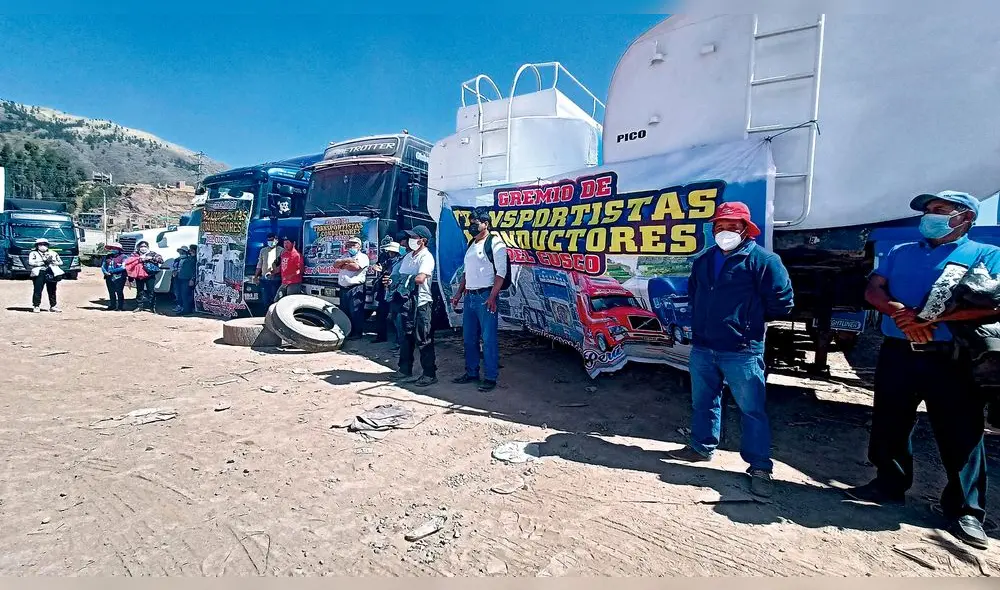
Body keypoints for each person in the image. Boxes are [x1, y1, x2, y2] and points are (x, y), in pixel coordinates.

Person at [845, 191, 1000, 550]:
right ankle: (889, 483)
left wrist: (931, 318)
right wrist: (898, 311)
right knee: (890, 419)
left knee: (961, 430)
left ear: (965, 218)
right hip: (899, 351)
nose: (931, 216)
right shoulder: (901, 252)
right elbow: (874, 288)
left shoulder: (986, 254)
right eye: (929, 211)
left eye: (941, 211)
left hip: (953, 356)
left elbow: (994, 303)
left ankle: (966, 510)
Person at [668, 201, 794, 499]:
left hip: (742, 350)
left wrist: (747, 323)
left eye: (732, 226)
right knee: (704, 401)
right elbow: (695, 295)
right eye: (720, 226)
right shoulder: (704, 260)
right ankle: (701, 447)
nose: (725, 231)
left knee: (752, 410)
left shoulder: (764, 260)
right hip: (704, 347)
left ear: (745, 229)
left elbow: (783, 302)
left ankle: (760, 466)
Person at [450, 207, 509, 392]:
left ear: (486, 224)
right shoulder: (471, 244)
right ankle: (472, 372)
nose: (472, 226)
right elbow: (467, 273)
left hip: (486, 297)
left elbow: (501, 273)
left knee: (488, 339)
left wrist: (492, 296)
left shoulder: (495, 243)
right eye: (470, 223)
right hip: (470, 297)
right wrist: (459, 293)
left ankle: (490, 377)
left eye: (475, 223)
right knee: (469, 338)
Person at [391, 225, 437, 387]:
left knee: (423, 339)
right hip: (406, 302)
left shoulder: (426, 257)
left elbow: (420, 278)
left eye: (413, 237)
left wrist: (402, 280)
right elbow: (398, 276)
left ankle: (429, 374)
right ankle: (404, 370)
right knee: (405, 337)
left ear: (422, 241)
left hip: (422, 303)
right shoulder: (408, 256)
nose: (409, 240)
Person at [334, 236, 370, 339]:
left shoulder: (362, 257)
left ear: (359, 246)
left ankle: (357, 333)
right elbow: (335, 264)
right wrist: (346, 260)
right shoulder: (345, 256)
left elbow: (355, 268)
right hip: (343, 288)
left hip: (356, 288)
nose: (351, 247)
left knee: (356, 311)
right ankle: (347, 331)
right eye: (349, 245)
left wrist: (343, 265)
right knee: (345, 311)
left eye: (353, 245)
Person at [373, 240, 403, 343]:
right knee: (381, 314)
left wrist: (383, 270)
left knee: (396, 317)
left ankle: (398, 341)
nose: (389, 252)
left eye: (391, 251)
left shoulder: (399, 261)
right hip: (384, 291)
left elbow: (395, 274)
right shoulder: (386, 259)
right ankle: (381, 337)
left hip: (393, 291)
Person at [126, 241, 163, 313]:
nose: (143, 248)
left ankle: (152, 307)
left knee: (151, 291)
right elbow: (129, 262)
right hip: (138, 275)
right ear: (138, 247)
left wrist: (151, 258)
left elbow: (161, 261)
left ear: (148, 247)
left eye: (145, 246)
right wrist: (140, 259)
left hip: (149, 275)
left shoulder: (152, 253)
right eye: (141, 246)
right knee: (139, 291)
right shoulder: (134, 254)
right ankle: (140, 306)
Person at [27, 238, 63, 313]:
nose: (43, 246)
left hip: (51, 272)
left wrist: (52, 262)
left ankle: (53, 306)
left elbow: (60, 262)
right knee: (38, 289)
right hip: (39, 272)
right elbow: (30, 262)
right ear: (37, 246)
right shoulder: (33, 253)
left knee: (52, 289)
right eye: (40, 244)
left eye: (44, 244)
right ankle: (36, 305)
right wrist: (41, 262)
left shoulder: (53, 253)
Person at [254, 232, 283, 309]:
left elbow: (282, 265)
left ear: (276, 240)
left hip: (276, 279)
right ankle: (266, 313)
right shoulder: (263, 250)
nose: (270, 242)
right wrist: (256, 276)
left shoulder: (281, 251)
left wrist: (274, 273)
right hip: (264, 278)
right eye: (269, 240)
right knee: (265, 298)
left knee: (275, 298)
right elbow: (259, 264)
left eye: (272, 240)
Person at [101, 243, 128, 311]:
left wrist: (112, 271)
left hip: (119, 277)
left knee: (119, 291)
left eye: (115, 248)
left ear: (119, 249)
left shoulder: (124, 257)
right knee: (111, 291)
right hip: (108, 277)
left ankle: (120, 307)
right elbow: (103, 266)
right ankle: (112, 305)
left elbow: (123, 267)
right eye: (112, 248)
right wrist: (105, 272)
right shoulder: (108, 256)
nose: (113, 249)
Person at [276, 236, 304, 300]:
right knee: (277, 300)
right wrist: (272, 272)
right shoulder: (284, 254)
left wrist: (292, 275)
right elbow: (282, 266)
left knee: (289, 301)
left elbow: (300, 270)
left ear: (293, 243)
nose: (285, 245)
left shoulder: (296, 255)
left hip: (294, 283)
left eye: (287, 243)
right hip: (284, 283)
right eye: (284, 243)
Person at [175, 246, 197, 315]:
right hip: (182, 278)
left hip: (188, 279)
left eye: (192, 250)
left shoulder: (195, 259)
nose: (191, 252)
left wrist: (192, 279)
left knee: (186, 295)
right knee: (183, 294)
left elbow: (195, 270)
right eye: (190, 250)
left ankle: (187, 310)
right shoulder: (189, 258)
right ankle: (185, 308)